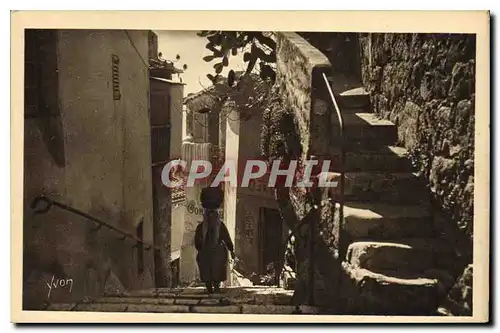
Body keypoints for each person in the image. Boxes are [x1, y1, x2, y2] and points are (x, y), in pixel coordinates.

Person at [194, 187, 235, 293]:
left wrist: (231, 250)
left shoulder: (221, 226)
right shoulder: (201, 227)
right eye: (209, 213)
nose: (211, 216)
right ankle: (209, 287)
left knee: (218, 262)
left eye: (213, 213)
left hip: (218, 252)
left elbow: (227, 239)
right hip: (206, 252)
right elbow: (197, 243)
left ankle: (216, 286)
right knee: (205, 263)